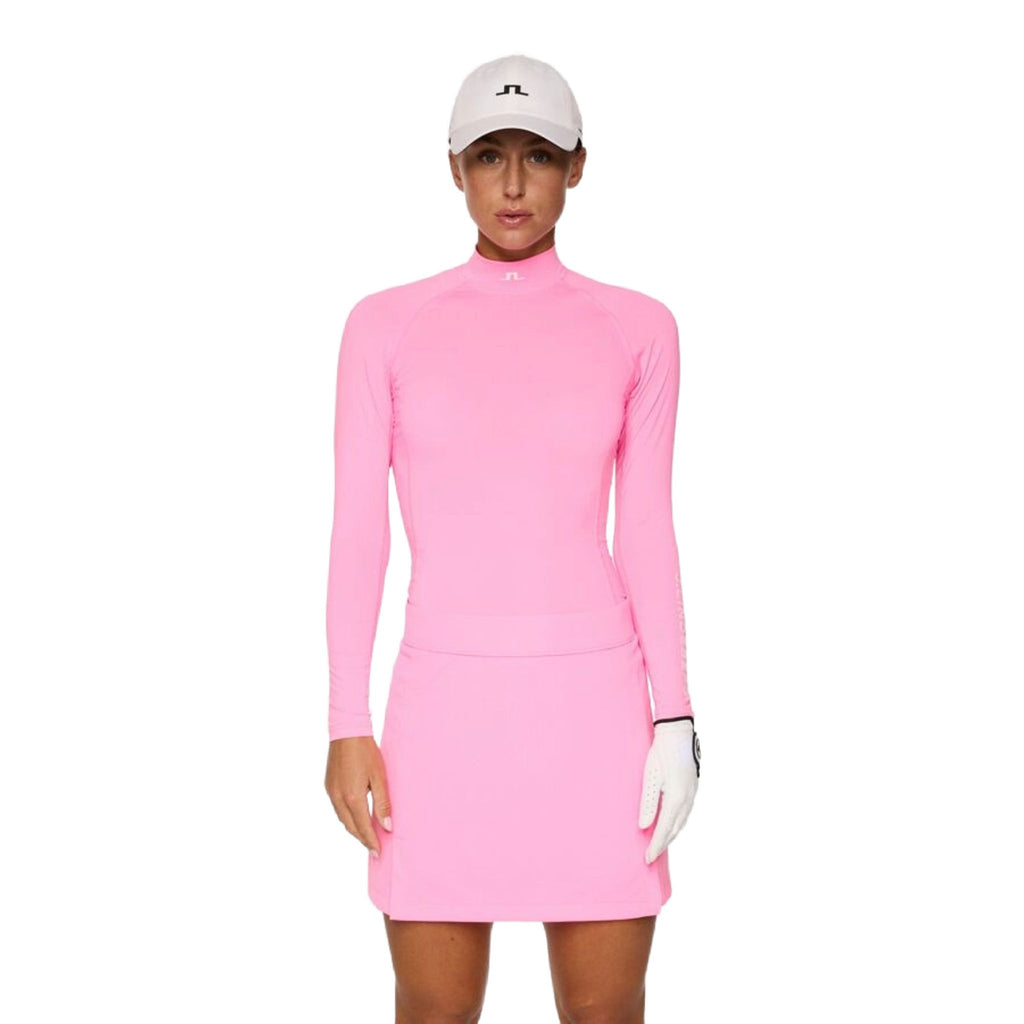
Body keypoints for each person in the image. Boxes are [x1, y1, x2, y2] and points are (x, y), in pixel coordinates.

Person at [324, 53, 701, 1023]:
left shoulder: (639, 328)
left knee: (605, 1011)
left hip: (596, 712)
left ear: (578, 166)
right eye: (489, 156)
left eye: (538, 155)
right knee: (434, 1009)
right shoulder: (384, 326)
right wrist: (344, 722)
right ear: (453, 168)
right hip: (441, 713)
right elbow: (359, 530)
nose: (514, 184)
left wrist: (675, 719)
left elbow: (645, 527)